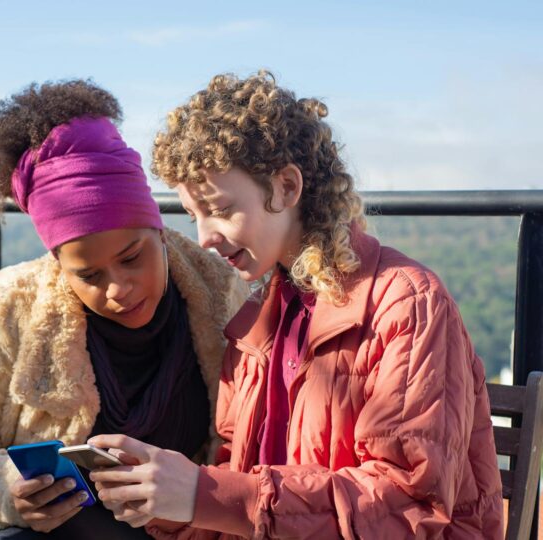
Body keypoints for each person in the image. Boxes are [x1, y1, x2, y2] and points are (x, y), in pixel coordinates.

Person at [89, 71, 504, 539]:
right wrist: (165, 504)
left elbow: (406, 506)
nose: (204, 237)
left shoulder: (406, 306)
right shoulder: (255, 324)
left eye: (220, 210)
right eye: (193, 216)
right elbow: (241, 489)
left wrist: (202, 496)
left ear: (287, 187)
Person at [0, 80, 248, 540]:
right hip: (24, 512)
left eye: (131, 258)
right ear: (59, 265)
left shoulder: (221, 296)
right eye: (89, 275)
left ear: (159, 230)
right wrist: (8, 490)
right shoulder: (11, 306)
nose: (118, 289)